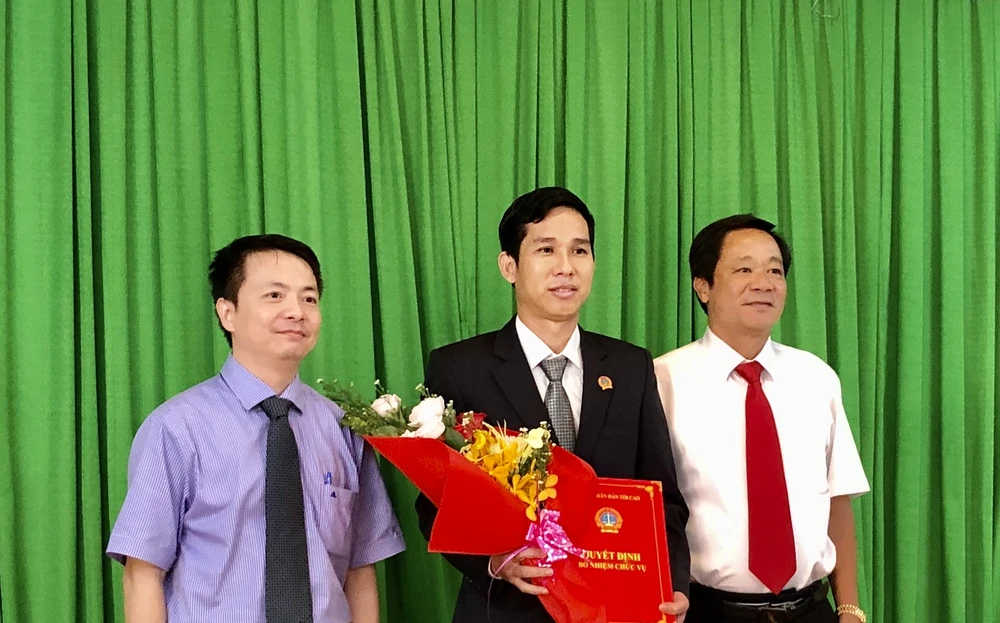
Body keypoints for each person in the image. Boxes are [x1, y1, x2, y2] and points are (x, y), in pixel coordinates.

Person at [415, 187, 691, 623]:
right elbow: (435, 504)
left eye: (579, 250)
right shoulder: (460, 368)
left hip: (616, 606)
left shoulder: (630, 366)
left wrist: (671, 582)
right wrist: (495, 563)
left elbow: (662, 497)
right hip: (507, 611)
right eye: (546, 250)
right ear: (509, 266)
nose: (566, 267)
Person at [106, 234, 405, 623]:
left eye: (309, 298)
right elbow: (143, 574)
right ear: (227, 312)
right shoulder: (176, 428)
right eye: (275, 296)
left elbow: (360, 572)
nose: (296, 311)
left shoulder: (344, 428)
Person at [653, 214, 870, 623]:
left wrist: (850, 609)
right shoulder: (662, 381)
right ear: (703, 286)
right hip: (707, 612)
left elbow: (836, 500)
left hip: (811, 611)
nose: (764, 283)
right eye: (744, 270)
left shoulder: (816, 377)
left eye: (775, 270)